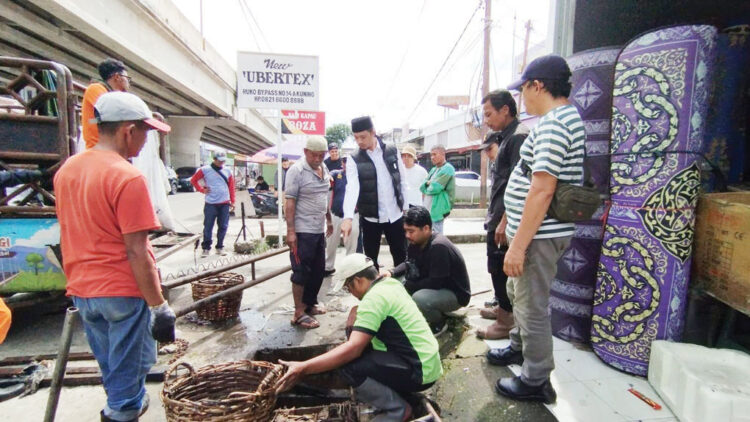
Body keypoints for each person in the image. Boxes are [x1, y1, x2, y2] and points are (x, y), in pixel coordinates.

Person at [54, 92, 175, 421]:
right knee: (126, 385)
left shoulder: (68, 171)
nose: (145, 141)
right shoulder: (127, 176)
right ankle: (121, 413)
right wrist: (158, 305)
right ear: (127, 130)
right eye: (145, 133)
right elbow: (137, 250)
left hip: (84, 291)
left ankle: (124, 406)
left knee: (114, 372)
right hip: (122, 291)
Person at [488, 54, 585, 404]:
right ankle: (519, 349)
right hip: (532, 231)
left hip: (539, 236)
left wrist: (517, 247)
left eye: (524, 89)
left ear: (538, 85)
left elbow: (542, 189)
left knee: (531, 305)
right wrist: (508, 222)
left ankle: (536, 379)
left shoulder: (556, 124)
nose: (521, 98)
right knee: (519, 294)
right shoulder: (553, 121)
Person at [275, 253, 442, 421]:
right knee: (358, 349)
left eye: (349, 287)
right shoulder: (390, 284)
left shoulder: (373, 300)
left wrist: (304, 367)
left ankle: (397, 410)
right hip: (428, 363)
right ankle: (400, 399)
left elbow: (353, 349)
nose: (351, 292)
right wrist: (356, 311)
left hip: (419, 371)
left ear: (359, 280)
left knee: (350, 366)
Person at [476, 90, 529, 340]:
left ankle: (505, 322)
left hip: (505, 218)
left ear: (505, 110)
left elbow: (520, 184)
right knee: (494, 267)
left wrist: (505, 221)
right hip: (496, 213)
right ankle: (502, 309)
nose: (486, 120)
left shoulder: (518, 138)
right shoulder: (504, 137)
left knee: (500, 267)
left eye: (489, 114)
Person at [381, 206, 470, 335]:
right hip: (435, 286)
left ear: (426, 229)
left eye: (411, 231)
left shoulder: (439, 247)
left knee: (419, 298)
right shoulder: (416, 242)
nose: (407, 235)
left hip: (454, 293)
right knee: (392, 282)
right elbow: (408, 263)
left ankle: (439, 322)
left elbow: (435, 283)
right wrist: (391, 272)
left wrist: (407, 286)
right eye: (406, 231)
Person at [341, 116, 409, 270]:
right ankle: (375, 291)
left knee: (401, 256)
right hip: (371, 218)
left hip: (395, 215)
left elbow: (403, 181)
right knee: (371, 261)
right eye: (356, 138)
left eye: (362, 137)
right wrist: (348, 217)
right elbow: (352, 188)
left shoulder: (392, 150)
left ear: (373, 132)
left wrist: (406, 210)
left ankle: (402, 289)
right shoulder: (354, 159)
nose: (359, 141)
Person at [285, 136, 334, 329]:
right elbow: (289, 202)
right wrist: (291, 231)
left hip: (318, 228)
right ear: (305, 152)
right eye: (314, 155)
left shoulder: (324, 168)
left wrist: (329, 219)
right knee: (301, 271)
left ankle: (310, 304)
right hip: (302, 230)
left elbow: (324, 196)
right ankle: (298, 312)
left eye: (321, 155)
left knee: (318, 270)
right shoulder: (296, 171)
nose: (317, 159)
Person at [191, 152, 236, 257]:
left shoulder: (227, 171)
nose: (221, 162)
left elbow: (231, 187)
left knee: (223, 226)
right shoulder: (205, 170)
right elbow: (193, 180)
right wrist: (202, 190)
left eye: (223, 160)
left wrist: (232, 201)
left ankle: (220, 246)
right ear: (214, 159)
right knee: (208, 226)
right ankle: (206, 248)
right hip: (211, 203)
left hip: (224, 203)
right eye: (219, 160)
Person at [81, 58, 131, 149]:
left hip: (110, 147)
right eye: (127, 78)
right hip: (97, 147)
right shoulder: (96, 89)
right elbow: (109, 115)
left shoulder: (111, 93)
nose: (129, 82)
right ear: (117, 77)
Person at [325, 156, 360, 277]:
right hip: (335, 214)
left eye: (348, 162)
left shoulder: (357, 176)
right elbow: (327, 177)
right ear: (342, 163)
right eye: (344, 162)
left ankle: (349, 270)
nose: (346, 164)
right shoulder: (336, 174)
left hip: (353, 215)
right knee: (331, 242)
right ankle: (328, 266)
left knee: (351, 244)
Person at [419, 145, 455, 234]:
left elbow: (435, 188)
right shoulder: (434, 169)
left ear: (443, 154)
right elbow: (422, 187)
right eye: (431, 155)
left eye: (435, 154)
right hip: (428, 208)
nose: (432, 157)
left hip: (438, 209)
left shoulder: (448, 168)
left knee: (436, 237)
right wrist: (428, 184)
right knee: (427, 236)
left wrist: (428, 184)